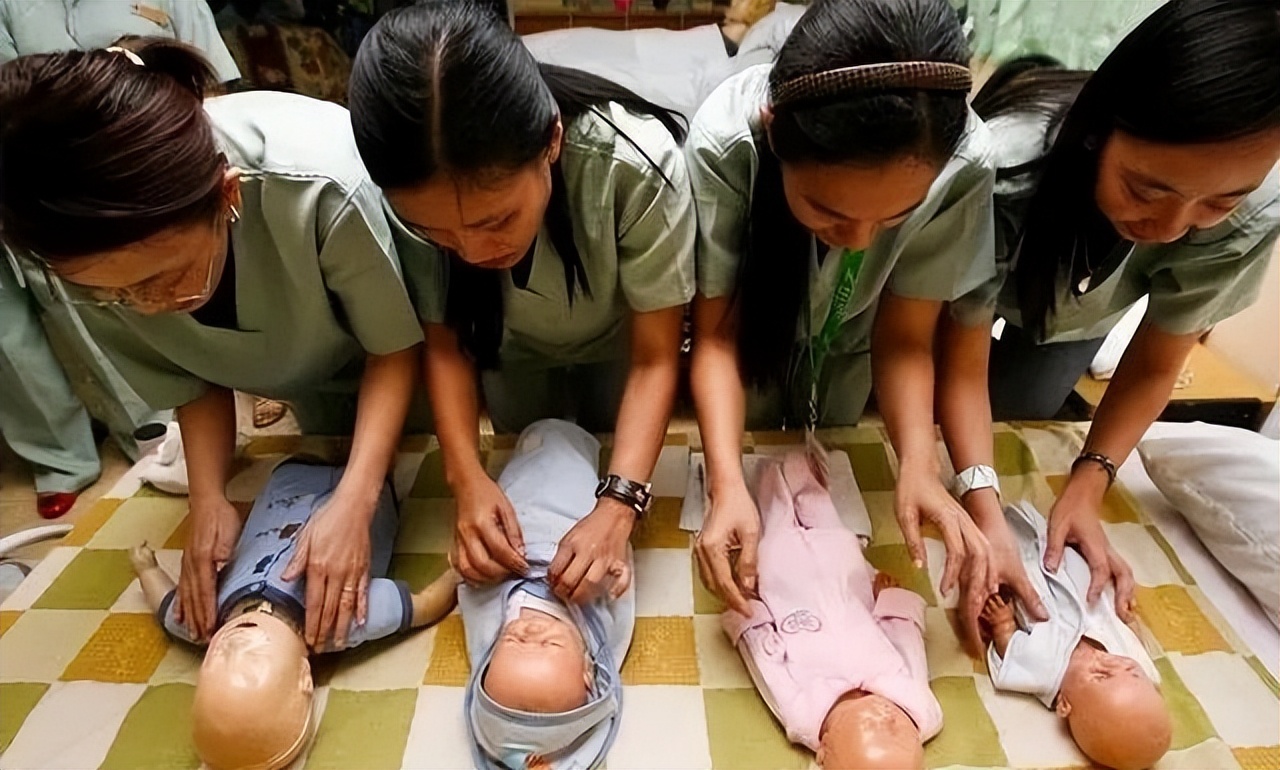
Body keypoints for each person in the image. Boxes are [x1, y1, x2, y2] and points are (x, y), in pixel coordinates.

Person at [0, 39, 424, 649]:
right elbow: (188, 372)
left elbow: (394, 344)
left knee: (402, 487)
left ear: (228, 196)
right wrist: (209, 498)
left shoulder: (318, 186)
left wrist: (357, 499)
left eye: (164, 277)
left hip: (393, 352)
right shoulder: (72, 259)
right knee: (320, 466)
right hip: (296, 366)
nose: (149, 306)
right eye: (117, 296)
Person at [940, 0, 1280, 648]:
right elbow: (958, 357)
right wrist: (981, 501)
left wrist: (1089, 481)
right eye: (1147, 189)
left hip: (1080, 312)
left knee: (1023, 413)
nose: (1174, 227)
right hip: (986, 280)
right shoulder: (1000, 173)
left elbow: (1157, 362)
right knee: (930, 430)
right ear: (1100, 131)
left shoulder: (1254, 212)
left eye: (1218, 202)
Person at [349, 3, 694, 603]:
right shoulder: (407, 196)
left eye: (498, 219)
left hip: (623, 352)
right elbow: (446, 340)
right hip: (506, 355)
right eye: (438, 235)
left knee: (608, 473)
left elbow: (655, 356)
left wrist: (620, 504)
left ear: (551, 141)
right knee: (527, 470)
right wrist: (466, 477)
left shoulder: (634, 166)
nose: (474, 250)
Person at [687, 0, 998, 618]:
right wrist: (725, 483)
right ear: (776, 135)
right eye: (829, 212)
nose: (860, 240)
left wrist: (919, 463)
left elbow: (909, 338)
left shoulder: (964, 163)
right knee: (744, 495)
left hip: (851, 355)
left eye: (892, 218)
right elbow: (716, 336)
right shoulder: (727, 144)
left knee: (829, 476)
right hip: (741, 350)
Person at [0, 0, 239, 519]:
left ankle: (155, 432)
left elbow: (218, 89)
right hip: (43, 201)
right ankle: (64, 455)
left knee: (167, 292)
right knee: (28, 323)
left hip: (155, 188)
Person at [128, 461, 459, 770]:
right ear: (304, 677)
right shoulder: (341, 621)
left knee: (322, 429)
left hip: (290, 475)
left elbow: (166, 606)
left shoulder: (202, 618)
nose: (238, 646)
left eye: (216, 664)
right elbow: (424, 605)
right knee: (373, 447)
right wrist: (456, 574)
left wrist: (147, 569)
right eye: (256, 664)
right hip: (368, 485)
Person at [725, 452, 941, 769]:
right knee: (834, 530)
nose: (884, 717)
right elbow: (909, 646)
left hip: (792, 596)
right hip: (849, 586)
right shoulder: (916, 702)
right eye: (897, 729)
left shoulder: (804, 712)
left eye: (872, 730)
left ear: (824, 752)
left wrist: (749, 611)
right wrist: (892, 599)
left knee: (774, 532)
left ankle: (767, 477)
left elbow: (766, 665)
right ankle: (804, 466)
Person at [458, 420, 633, 770]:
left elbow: (473, 591)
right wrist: (615, 573)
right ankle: (581, 443)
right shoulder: (593, 627)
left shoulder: (496, 618)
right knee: (578, 461)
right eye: (549, 646)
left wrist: (469, 566)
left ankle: (541, 437)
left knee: (530, 452)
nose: (530, 634)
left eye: (513, 643)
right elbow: (615, 590)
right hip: (574, 512)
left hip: (516, 515)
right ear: (587, 670)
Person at [979, 502, 1171, 770]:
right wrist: (1129, 620)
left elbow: (1009, 651)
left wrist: (1002, 625)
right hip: (1074, 564)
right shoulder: (1140, 668)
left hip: (1020, 566)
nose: (1110, 662)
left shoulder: (1044, 672)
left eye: (1100, 676)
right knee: (1054, 526)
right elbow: (1137, 643)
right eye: (1131, 670)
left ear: (1064, 705)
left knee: (988, 527)